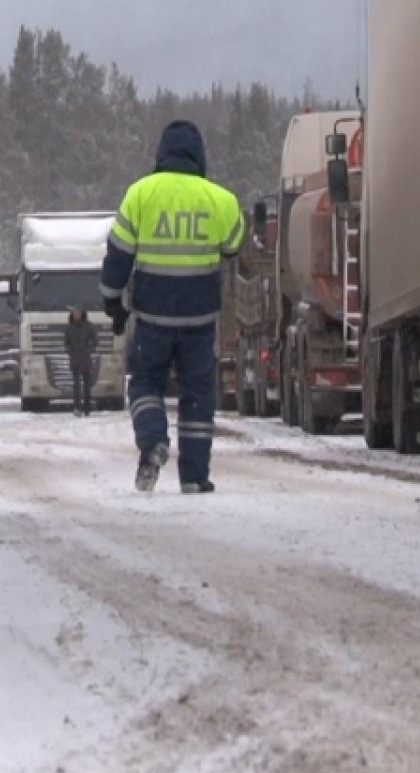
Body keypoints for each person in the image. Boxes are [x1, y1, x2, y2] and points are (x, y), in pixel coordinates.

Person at [101, 120, 244, 494]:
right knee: (198, 394)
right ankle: (195, 477)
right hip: (200, 319)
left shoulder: (140, 194)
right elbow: (234, 246)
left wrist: (112, 301)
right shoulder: (221, 199)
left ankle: (152, 442)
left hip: (152, 317)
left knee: (145, 381)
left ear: (161, 153)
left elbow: (118, 257)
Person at [64, 307, 98, 416]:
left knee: (87, 385)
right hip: (75, 359)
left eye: (78, 313)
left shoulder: (88, 326)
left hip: (86, 359)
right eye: (74, 313)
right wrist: (70, 351)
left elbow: (95, 341)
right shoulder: (69, 327)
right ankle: (77, 407)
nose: (76, 315)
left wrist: (89, 350)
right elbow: (66, 342)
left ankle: (87, 408)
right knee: (76, 385)